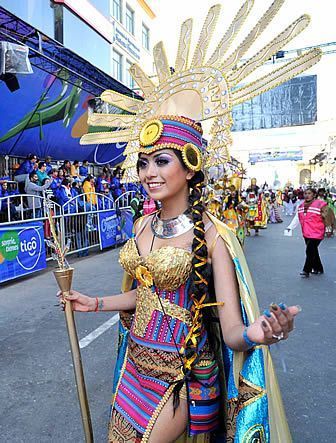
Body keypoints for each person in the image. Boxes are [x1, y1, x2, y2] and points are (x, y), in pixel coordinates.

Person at [66, 3, 319, 439]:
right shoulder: (142, 226)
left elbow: (233, 332)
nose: (149, 173)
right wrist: (97, 303)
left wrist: (262, 332)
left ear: (191, 168)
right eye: (144, 163)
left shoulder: (214, 237)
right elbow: (144, 297)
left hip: (183, 378)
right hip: (134, 366)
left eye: (161, 161)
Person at [286, 188, 328, 277]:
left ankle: (306, 270)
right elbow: (297, 218)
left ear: (314, 195)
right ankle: (318, 268)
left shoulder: (321, 204)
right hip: (306, 232)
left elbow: (328, 216)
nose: (307, 195)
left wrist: (329, 227)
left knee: (309, 251)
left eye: (309, 193)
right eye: (305, 193)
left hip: (317, 232)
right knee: (313, 251)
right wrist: (290, 227)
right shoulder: (300, 206)